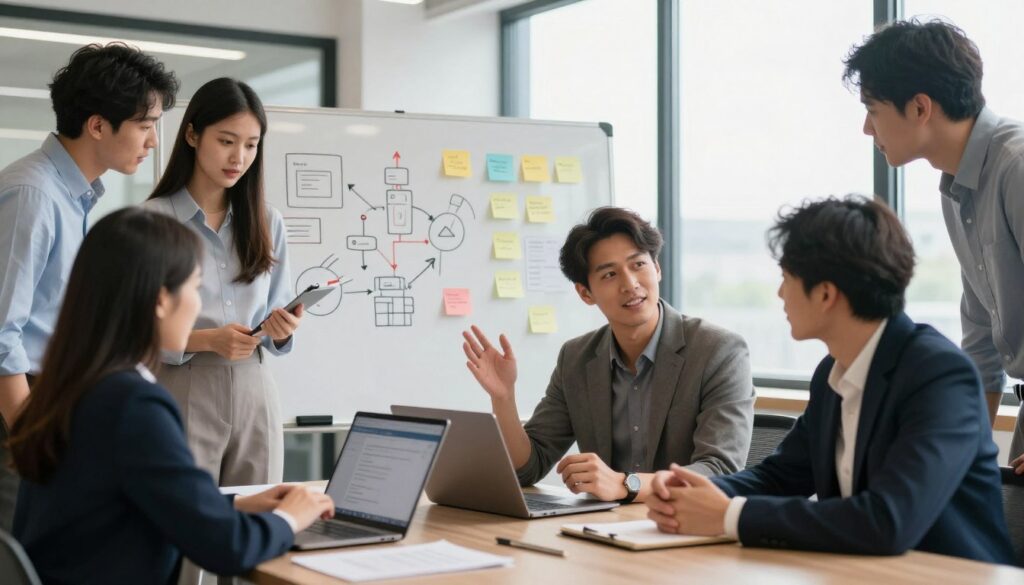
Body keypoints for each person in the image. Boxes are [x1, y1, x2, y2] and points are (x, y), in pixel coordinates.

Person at [645, 196, 1014, 563]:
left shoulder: (939, 375)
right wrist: (698, 491)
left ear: (825, 294)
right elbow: (781, 477)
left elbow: (888, 521)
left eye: (786, 278)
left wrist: (727, 516)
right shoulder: (832, 373)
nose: (779, 294)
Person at [7, 208, 335, 584]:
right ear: (161, 300)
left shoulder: (70, 388)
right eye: (195, 288)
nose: (197, 305)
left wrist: (235, 504)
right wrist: (291, 516)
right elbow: (226, 547)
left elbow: (121, 502)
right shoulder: (132, 405)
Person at [0, 42, 179, 531]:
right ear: (98, 125)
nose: (153, 142)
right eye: (145, 126)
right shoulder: (34, 194)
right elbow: (0, 337)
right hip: (19, 409)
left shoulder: (70, 195)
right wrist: (30, 436)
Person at [462, 206, 754, 503]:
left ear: (657, 268)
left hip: (683, 530)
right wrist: (503, 399)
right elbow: (528, 468)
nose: (630, 284)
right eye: (610, 274)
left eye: (638, 264)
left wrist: (628, 484)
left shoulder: (719, 351)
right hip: (606, 530)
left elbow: (720, 471)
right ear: (585, 293)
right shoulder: (576, 358)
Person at [843, 19, 1024, 471]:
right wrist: (971, 463)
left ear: (920, 107)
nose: (867, 129)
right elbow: (982, 339)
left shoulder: (1016, 168)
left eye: (873, 109)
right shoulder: (958, 186)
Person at [145, 77, 299, 487]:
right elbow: (130, 329)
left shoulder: (269, 221)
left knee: (257, 518)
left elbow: (276, 311)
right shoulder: (153, 221)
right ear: (193, 134)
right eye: (227, 141)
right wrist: (207, 340)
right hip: (183, 381)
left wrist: (281, 332)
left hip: (255, 383)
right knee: (185, 524)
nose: (239, 157)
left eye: (251, 145)